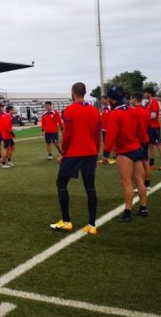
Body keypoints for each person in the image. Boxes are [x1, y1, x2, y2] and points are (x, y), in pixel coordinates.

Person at [49, 83, 101, 235]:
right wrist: (96, 154)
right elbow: (97, 136)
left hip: (74, 153)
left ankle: (66, 221)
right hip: (90, 152)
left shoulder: (70, 110)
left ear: (73, 92)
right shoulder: (94, 110)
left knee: (61, 183)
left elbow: (67, 135)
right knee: (90, 186)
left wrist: (63, 152)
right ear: (85, 93)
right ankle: (92, 224)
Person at [102, 87, 148, 222]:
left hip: (125, 151)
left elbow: (110, 136)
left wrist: (106, 153)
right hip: (137, 148)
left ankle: (127, 212)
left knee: (126, 182)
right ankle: (143, 208)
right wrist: (143, 142)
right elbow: (141, 130)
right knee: (139, 180)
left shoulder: (114, 114)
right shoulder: (132, 110)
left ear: (110, 99)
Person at [131, 93, 153, 192]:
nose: (131, 101)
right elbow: (148, 125)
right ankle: (147, 184)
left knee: (139, 163)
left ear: (135, 99)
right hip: (145, 138)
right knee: (145, 161)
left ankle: (142, 185)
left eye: (131, 99)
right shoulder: (146, 110)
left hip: (138, 140)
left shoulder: (135, 111)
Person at [143, 87, 161, 170]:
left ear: (149, 93)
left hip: (154, 126)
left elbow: (153, 116)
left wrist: (144, 117)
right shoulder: (148, 103)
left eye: (145, 93)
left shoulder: (154, 102)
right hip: (148, 127)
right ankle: (151, 164)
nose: (144, 94)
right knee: (150, 145)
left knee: (158, 144)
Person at [100, 95, 116, 164]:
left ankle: (114, 157)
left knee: (112, 143)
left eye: (103, 100)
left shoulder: (111, 108)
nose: (102, 102)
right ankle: (106, 157)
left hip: (109, 129)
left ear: (107, 100)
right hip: (104, 129)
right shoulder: (103, 108)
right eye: (101, 100)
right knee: (105, 143)